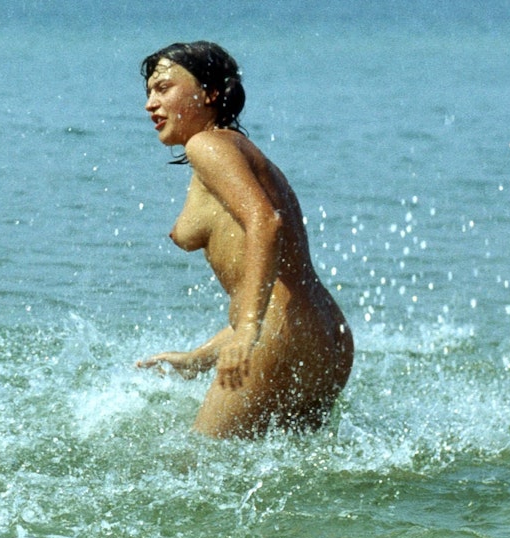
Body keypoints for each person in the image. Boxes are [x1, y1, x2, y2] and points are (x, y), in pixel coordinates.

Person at [133, 42, 354, 438]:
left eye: (164, 88)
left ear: (210, 93)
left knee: (193, 470)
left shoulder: (208, 146)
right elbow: (281, 279)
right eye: (149, 91)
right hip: (326, 334)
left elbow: (265, 223)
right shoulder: (240, 154)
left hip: (277, 333)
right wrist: (200, 357)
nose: (151, 103)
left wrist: (250, 329)